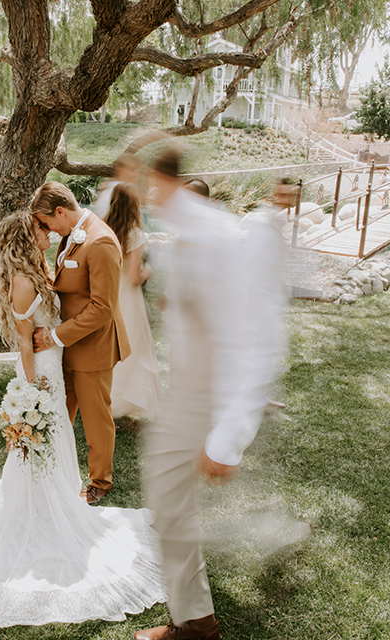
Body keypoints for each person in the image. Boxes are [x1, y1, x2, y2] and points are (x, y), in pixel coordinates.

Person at [0, 210, 166, 627]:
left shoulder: (37, 267)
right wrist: (33, 393)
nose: (49, 232)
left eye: (48, 225)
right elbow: (25, 346)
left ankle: (50, 506)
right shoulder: (24, 280)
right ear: (26, 238)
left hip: (53, 369)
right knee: (43, 446)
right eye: (41, 229)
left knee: (53, 446)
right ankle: (37, 515)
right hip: (41, 378)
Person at [134, 148, 288, 640]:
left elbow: (254, 339)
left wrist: (229, 437)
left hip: (206, 395)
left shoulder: (220, 235)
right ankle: (194, 617)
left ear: (162, 181)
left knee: (168, 500)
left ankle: (197, 623)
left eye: (147, 186)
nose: (144, 196)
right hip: (187, 389)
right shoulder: (186, 231)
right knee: (167, 499)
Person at [29, 182, 130, 505]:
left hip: (93, 347)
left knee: (95, 419)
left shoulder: (100, 242)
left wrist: (53, 336)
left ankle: (100, 481)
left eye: (46, 223)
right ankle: (56, 471)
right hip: (67, 345)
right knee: (60, 412)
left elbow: (103, 308)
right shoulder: (72, 234)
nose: (47, 230)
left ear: (60, 211)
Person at [104, 182, 162, 419]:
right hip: (129, 297)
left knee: (111, 347)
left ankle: (107, 396)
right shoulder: (135, 234)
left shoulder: (105, 229)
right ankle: (126, 402)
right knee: (133, 349)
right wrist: (149, 269)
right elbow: (134, 277)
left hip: (110, 294)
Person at [92, 152, 143, 219]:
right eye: (132, 170)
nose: (137, 174)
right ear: (121, 170)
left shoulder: (122, 190)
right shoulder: (113, 194)